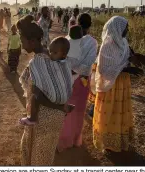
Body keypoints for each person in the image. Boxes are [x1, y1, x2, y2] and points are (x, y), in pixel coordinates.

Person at [17, 15, 74, 165]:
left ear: (33, 41)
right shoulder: (51, 55)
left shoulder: (38, 62)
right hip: (54, 117)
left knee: (36, 158)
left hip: (45, 118)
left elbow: (39, 96)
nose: (22, 46)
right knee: (43, 155)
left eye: (23, 42)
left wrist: (62, 107)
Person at [93, 16, 143, 153]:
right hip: (111, 87)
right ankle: (108, 142)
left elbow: (126, 57)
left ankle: (120, 140)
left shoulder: (124, 42)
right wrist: (126, 69)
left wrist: (135, 59)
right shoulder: (107, 46)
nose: (128, 29)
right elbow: (103, 69)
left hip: (122, 84)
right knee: (110, 112)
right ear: (117, 28)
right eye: (125, 27)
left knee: (120, 110)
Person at [57, 13, 98, 152]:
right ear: (90, 24)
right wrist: (78, 71)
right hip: (82, 81)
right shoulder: (92, 42)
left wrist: (71, 70)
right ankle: (74, 139)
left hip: (67, 80)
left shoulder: (68, 38)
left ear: (77, 23)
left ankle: (64, 140)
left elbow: (62, 60)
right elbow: (88, 65)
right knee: (79, 111)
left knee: (67, 111)